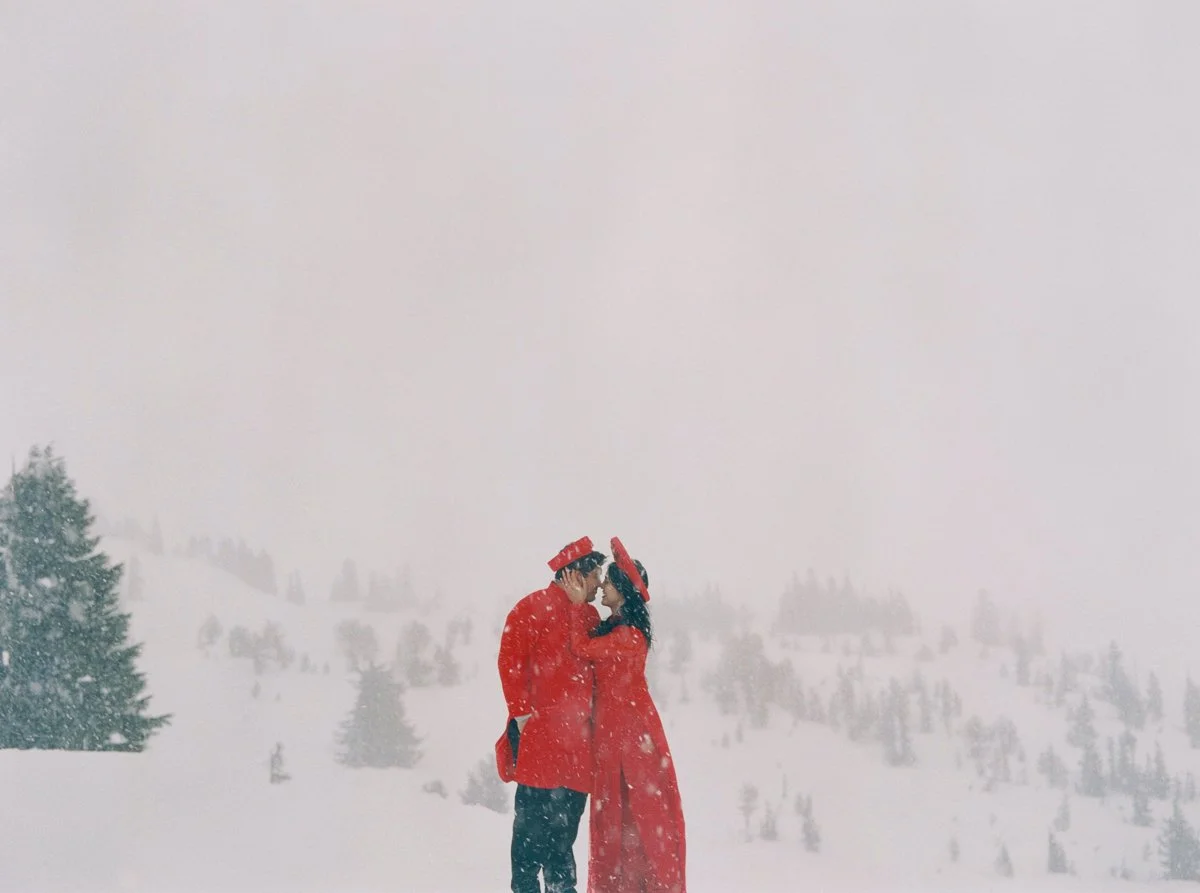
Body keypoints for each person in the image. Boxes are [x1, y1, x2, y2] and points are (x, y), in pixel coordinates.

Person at [561, 537, 686, 893]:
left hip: (630, 733)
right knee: (621, 814)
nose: (602, 587)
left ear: (624, 592)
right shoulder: (618, 628)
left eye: (610, 583)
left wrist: (573, 606)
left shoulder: (628, 636)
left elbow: (581, 648)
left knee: (635, 814)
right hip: (617, 730)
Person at [497, 536, 606, 893]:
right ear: (575, 573)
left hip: (575, 750)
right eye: (594, 577)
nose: (598, 585)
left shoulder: (589, 616)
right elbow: (510, 662)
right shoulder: (531, 607)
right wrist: (523, 715)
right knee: (533, 840)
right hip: (542, 745)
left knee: (559, 841)